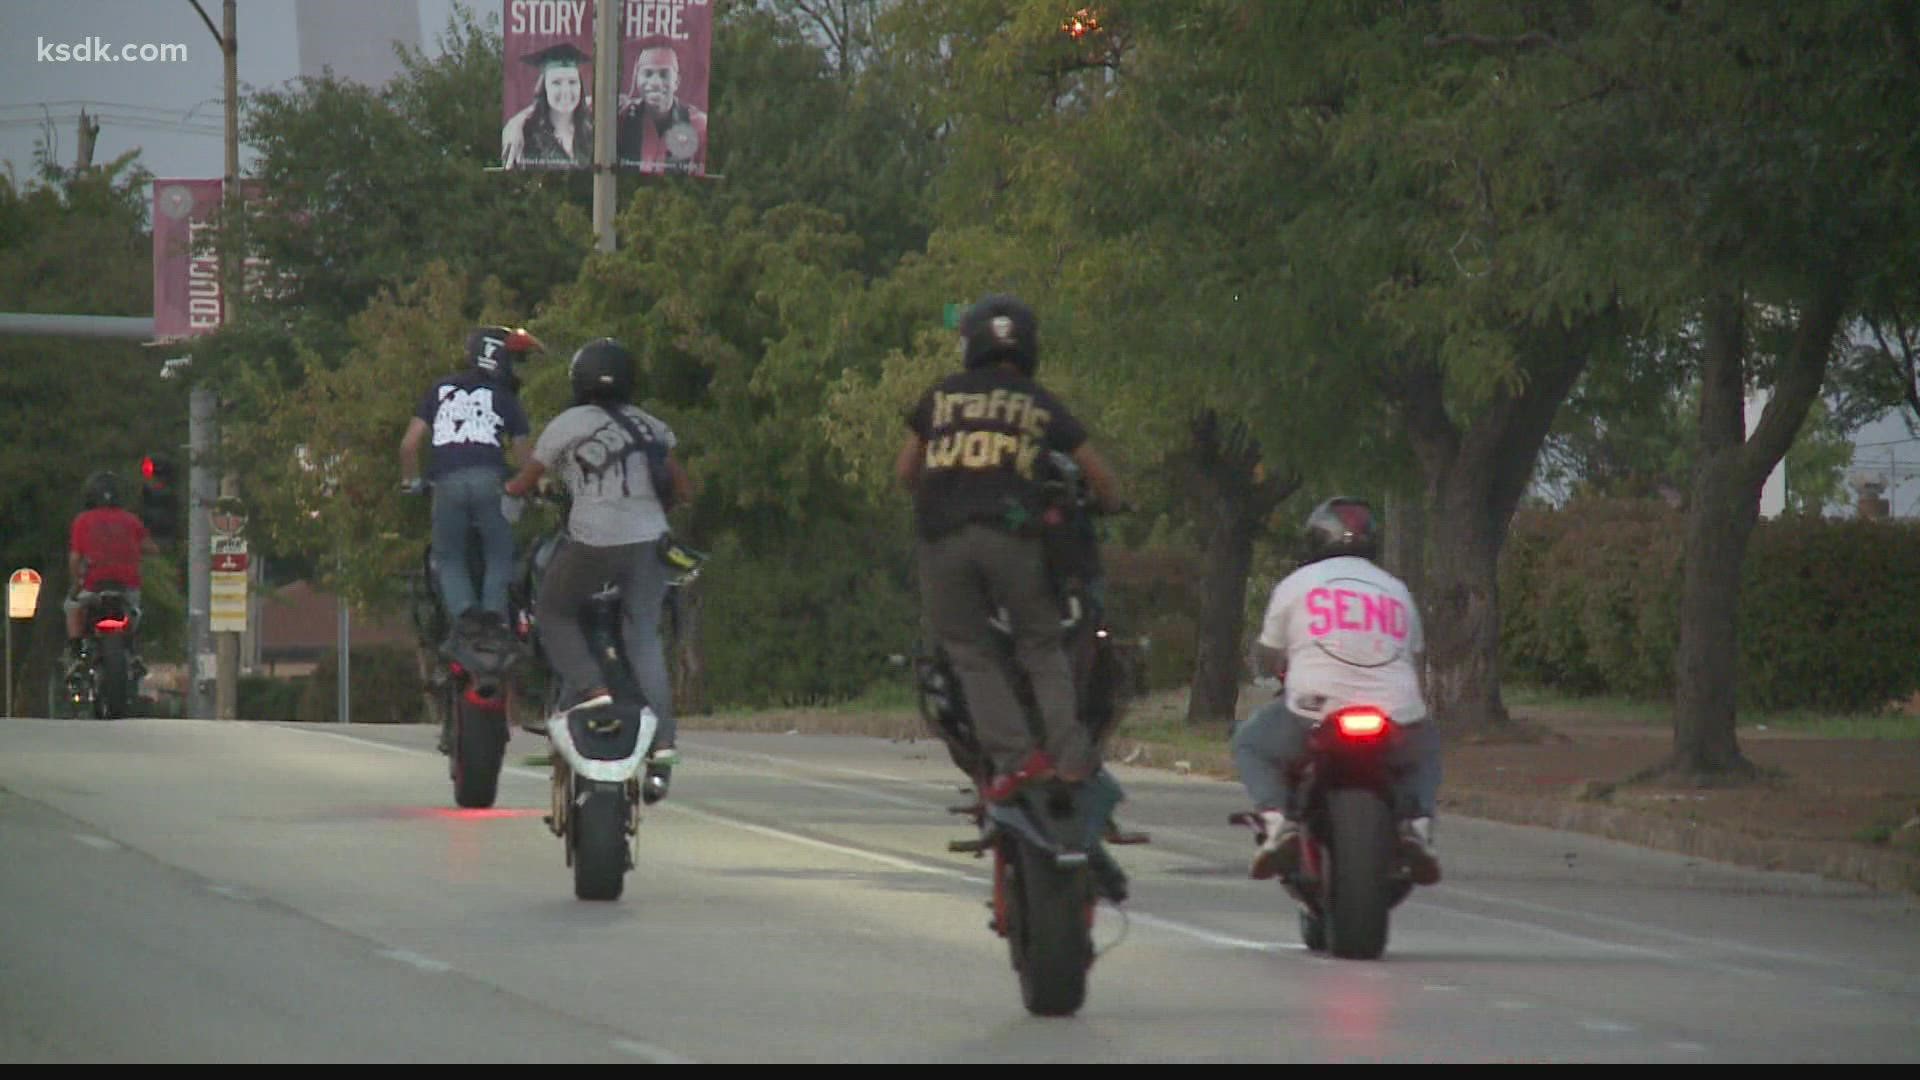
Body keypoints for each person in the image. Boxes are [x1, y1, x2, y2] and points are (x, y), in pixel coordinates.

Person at [894, 294, 1123, 804]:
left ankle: (1018, 760)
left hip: (944, 539)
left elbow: (906, 470)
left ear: (971, 345)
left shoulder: (942, 396)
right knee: (1041, 644)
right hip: (1011, 537)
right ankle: (1069, 758)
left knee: (970, 652)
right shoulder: (1036, 400)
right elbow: (1098, 474)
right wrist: (1112, 501)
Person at [503, 339, 692, 793]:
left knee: (553, 611)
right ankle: (663, 745)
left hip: (594, 541)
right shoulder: (651, 427)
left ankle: (593, 691)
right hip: (650, 540)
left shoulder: (569, 423)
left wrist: (509, 492)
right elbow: (683, 488)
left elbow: (526, 480)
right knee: (643, 634)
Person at [1230, 497, 1442, 885]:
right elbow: (1413, 652)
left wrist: (1275, 666)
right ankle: (1417, 825)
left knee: (1250, 743)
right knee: (1426, 747)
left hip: (1314, 709)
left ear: (1315, 540)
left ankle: (1278, 823)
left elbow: (1267, 653)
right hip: (1395, 711)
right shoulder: (1397, 589)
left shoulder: (1296, 585)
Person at [399, 327, 538, 643]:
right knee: (499, 553)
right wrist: (526, 484)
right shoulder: (506, 397)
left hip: (445, 482)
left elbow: (408, 446)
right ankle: (493, 616)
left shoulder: (439, 389)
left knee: (449, 555)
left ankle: (464, 615)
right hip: (490, 479)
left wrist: (412, 482)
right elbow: (524, 456)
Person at [65, 471, 158, 677]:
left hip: (93, 585)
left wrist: (77, 582)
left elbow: (74, 558)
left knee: (72, 606)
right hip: (126, 587)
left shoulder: (83, 521)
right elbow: (152, 548)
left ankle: (75, 654)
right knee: (136, 613)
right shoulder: (131, 521)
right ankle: (134, 654)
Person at [615, 39, 707, 174]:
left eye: (664, 74)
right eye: (648, 74)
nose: (655, 83)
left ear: (677, 82)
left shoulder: (698, 125)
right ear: (636, 79)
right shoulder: (622, 119)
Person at [501, 41, 594, 168]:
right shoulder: (526, 139)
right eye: (556, 82)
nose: (566, 91)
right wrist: (514, 124)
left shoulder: (593, 131)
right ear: (544, 88)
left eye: (572, 82)